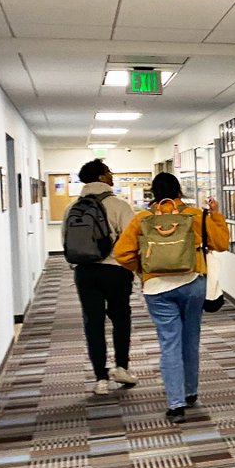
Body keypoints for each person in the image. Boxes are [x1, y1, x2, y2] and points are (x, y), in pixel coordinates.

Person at [114, 172, 228, 419]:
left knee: (169, 344)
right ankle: (190, 392)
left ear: (154, 194)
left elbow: (122, 254)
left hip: (157, 289)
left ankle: (176, 404)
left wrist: (145, 269)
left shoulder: (141, 219)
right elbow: (221, 243)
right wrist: (215, 215)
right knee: (191, 339)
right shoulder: (196, 215)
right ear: (179, 192)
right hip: (193, 283)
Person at [65, 160, 137, 396]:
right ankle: (122, 368)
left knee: (93, 324)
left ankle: (100, 378)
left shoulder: (71, 208)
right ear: (101, 177)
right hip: (116, 270)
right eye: (109, 172)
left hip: (85, 272)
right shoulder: (119, 206)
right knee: (120, 319)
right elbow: (132, 241)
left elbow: (66, 243)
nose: (112, 175)